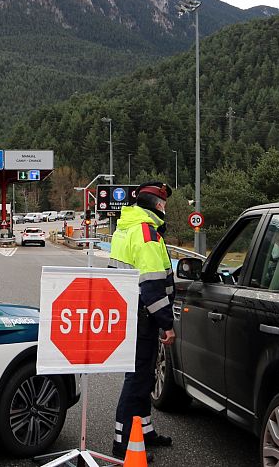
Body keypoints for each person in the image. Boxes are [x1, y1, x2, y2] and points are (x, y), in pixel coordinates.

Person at [108, 181, 176, 458]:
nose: (165, 208)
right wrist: (167, 323)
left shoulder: (125, 229)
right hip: (143, 316)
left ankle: (143, 431)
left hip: (128, 312)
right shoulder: (147, 235)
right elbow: (151, 286)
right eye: (163, 203)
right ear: (155, 205)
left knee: (144, 377)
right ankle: (123, 444)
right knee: (137, 380)